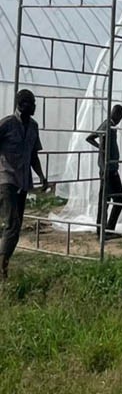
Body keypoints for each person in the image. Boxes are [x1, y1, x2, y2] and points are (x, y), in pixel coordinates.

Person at [0, 89, 48, 278]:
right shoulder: (7, 124)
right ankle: (2, 269)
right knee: (12, 224)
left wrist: (42, 176)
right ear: (22, 105)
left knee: (15, 226)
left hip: (23, 181)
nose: (34, 106)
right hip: (6, 179)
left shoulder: (34, 127)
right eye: (31, 103)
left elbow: (33, 155)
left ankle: (4, 261)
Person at [86, 104, 122, 238]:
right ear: (118, 115)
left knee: (117, 199)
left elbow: (90, 137)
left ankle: (107, 229)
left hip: (111, 169)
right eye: (119, 116)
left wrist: (100, 149)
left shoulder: (108, 125)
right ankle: (102, 231)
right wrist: (102, 155)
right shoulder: (108, 126)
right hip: (108, 171)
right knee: (106, 200)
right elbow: (92, 139)